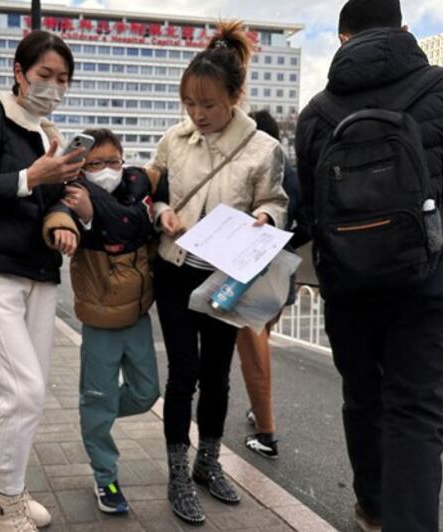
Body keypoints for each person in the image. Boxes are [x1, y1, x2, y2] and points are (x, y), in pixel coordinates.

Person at [295, 1, 443, 530]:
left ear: (341, 38)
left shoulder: (315, 113)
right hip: (427, 284)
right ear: (403, 30)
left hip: (348, 287)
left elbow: (309, 213)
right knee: (417, 412)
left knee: (363, 397)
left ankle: (372, 509)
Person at [146, 21, 287, 526]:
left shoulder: (263, 148)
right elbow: (153, 191)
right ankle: (178, 471)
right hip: (178, 270)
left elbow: (275, 200)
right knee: (183, 372)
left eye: (208, 104)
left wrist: (266, 218)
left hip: (229, 276)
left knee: (218, 374)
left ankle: (209, 461)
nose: (198, 114)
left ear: (235, 96)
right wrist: (160, 212)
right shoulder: (174, 140)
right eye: (189, 103)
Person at [0, 29, 84, 532]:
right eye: (44, 75)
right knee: (21, 392)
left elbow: (50, 205)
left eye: (63, 79)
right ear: (19, 72)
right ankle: (6, 506)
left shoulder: (48, 134)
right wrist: (32, 177)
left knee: (34, 391)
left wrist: (67, 211)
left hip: (41, 273)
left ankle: (16, 493)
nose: (52, 87)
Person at [42, 128, 160, 514]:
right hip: (99, 322)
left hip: (138, 317)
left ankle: (96, 413)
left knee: (146, 394)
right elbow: (59, 212)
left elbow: (147, 209)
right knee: (98, 403)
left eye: (112, 161)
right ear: (82, 166)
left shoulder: (137, 190)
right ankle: (105, 476)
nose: (105, 169)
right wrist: (62, 223)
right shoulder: (74, 195)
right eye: (95, 163)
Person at [236, 109, 302, 460]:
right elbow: (304, 219)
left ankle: (266, 432)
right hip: (283, 265)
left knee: (252, 350)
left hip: (252, 267)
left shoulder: (254, 169)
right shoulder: (290, 171)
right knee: (263, 343)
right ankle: (257, 409)